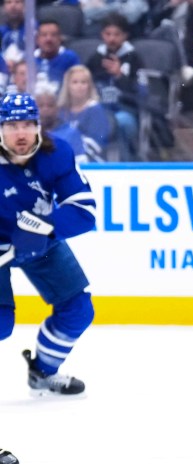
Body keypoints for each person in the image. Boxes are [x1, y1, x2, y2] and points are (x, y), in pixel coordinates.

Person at [0, 93, 97, 397]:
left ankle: (42, 372)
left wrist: (43, 231)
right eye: (12, 125)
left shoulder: (56, 153)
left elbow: (84, 210)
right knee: (1, 324)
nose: (21, 133)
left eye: (27, 124)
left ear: (38, 126)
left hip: (42, 238)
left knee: (78, 309)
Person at [86, 13, 144, 162]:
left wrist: (119, 75)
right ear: (102, 35)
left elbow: (142, 92)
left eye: (117, 34)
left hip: (125, 109)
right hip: (99, 109)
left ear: (125, 36)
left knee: (121, 122)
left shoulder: (134, 58)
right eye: (108, 34)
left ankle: (126, 164)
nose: (112, 38)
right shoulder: (95, 58)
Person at [58, 65, 111, 162]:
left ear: (89, 86)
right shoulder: (60, 110)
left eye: (84, 82)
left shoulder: (95, 110)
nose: (79, 86)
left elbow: (96, 144)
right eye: (75, 82)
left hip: (90, 162)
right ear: (67, 86)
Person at [34, 20, 82, 92]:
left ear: (60, 38)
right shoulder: (29, 59)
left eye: (53, 35)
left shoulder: (70, 58)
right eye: (44, 35)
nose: (48, 39)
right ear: (37, 39)